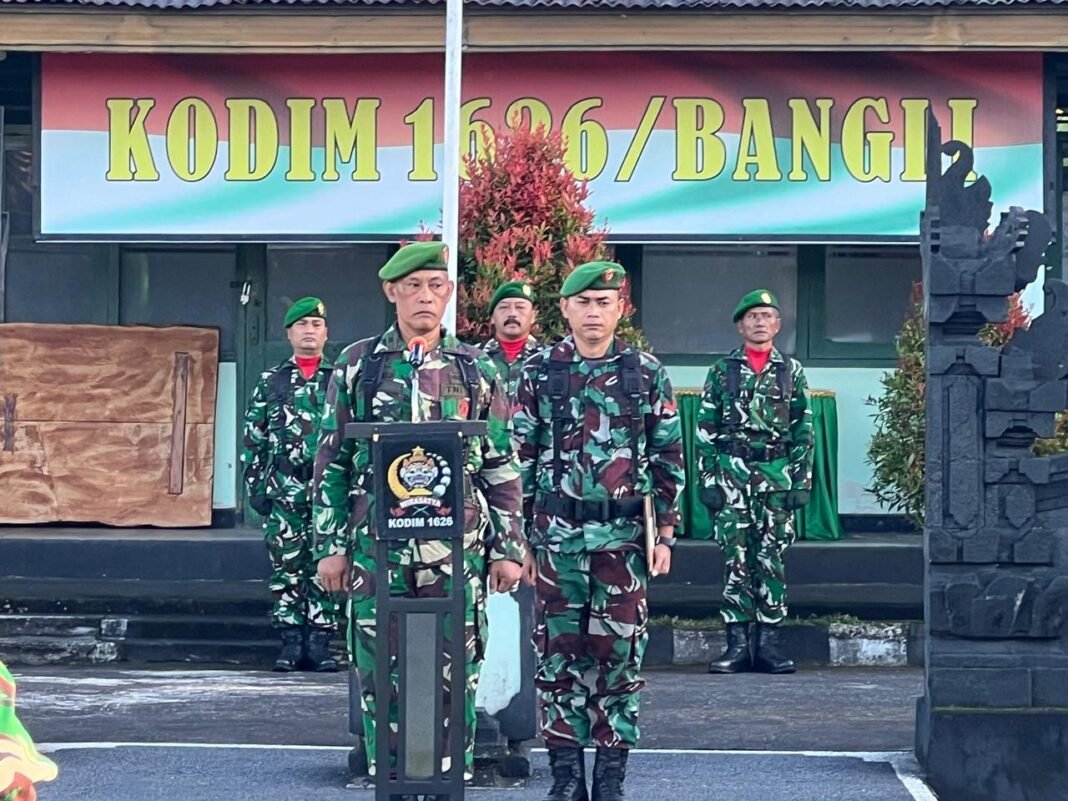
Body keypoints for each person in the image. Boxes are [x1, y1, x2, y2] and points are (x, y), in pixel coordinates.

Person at [313, 241, 526, 786]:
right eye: (412, 287)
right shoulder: (360, 364)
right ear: (391, 293)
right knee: (377, 667)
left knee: (458, 670)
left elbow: (500, 464)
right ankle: (389, 775)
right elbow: (332, 462)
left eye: (436, 286)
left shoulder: (473, 367)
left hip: (456, 548)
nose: (425, 297)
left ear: (449, 293)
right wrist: (331, 545)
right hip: (375, 547)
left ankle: (453, 774)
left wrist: (507, 548)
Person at [512, 261, 685, 801]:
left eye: (603, 303)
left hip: (624, 544)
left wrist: (665, 534)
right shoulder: (540, 372)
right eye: (583, 302)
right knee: (557, 659)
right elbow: (517, 459)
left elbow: (669, 456)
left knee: (619, 663)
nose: (593, 312)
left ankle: (610, 779)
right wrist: (520, 539)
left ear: (619, 309)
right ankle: (565, 779)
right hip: (557, 544)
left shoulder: (645, 373)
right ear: (564, 308)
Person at [696, 289, 814, 675]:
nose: (760, 322)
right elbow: (705, 429)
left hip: (776, 475)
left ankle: (769, 645)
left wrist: (802, 480)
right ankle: (735, 645)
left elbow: (803, 429)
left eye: (767, 316)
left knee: (772, 559)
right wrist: (708, 479)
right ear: (740, 326)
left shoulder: (790, 370)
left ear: (778, 325)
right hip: (732, 474)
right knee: (736, 559)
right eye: (752, 317)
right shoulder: (721, 370)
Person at [241, 296, 341, 672]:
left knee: (326, 565)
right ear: (289, 333)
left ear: (326, 332)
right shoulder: (273, 381)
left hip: (329, 494)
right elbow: (254, 438)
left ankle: (319, 643)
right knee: (287, 568)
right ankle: (290, 642)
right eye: (302, 326)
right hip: (285, 489)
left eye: (316, 325)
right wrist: (255, 487)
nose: (309, 332)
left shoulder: (339, 380)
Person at [480, 279, 542, 399]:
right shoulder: (473, 359)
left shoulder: (548, 359)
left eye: (520, 307)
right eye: (504, 307)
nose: (512, 313)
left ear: (533, 316)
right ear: (492, 317)